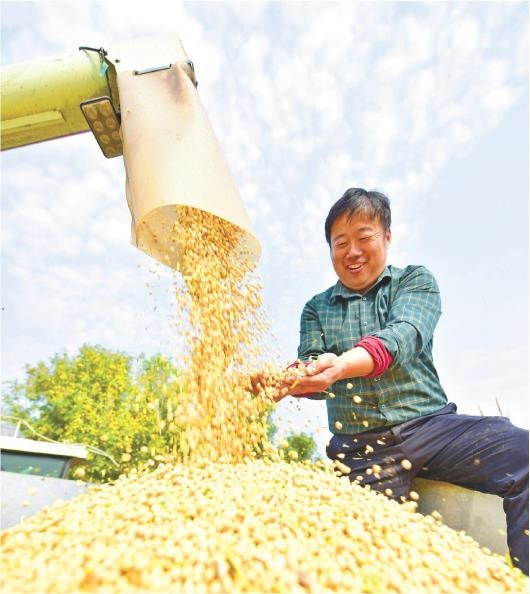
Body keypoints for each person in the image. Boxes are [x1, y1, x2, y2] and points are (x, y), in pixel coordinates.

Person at [276, 187, 529, 575]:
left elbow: (402, 336)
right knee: (367, 564)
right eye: (340, 243)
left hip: (433, 429)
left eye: (364, 237)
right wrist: (296, 378)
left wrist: (341, 365)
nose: (352, 251)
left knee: (522, 453)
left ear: (387, 238)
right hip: (362, 451)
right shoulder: (316, 308)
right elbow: (313, 366)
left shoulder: (415, 282)